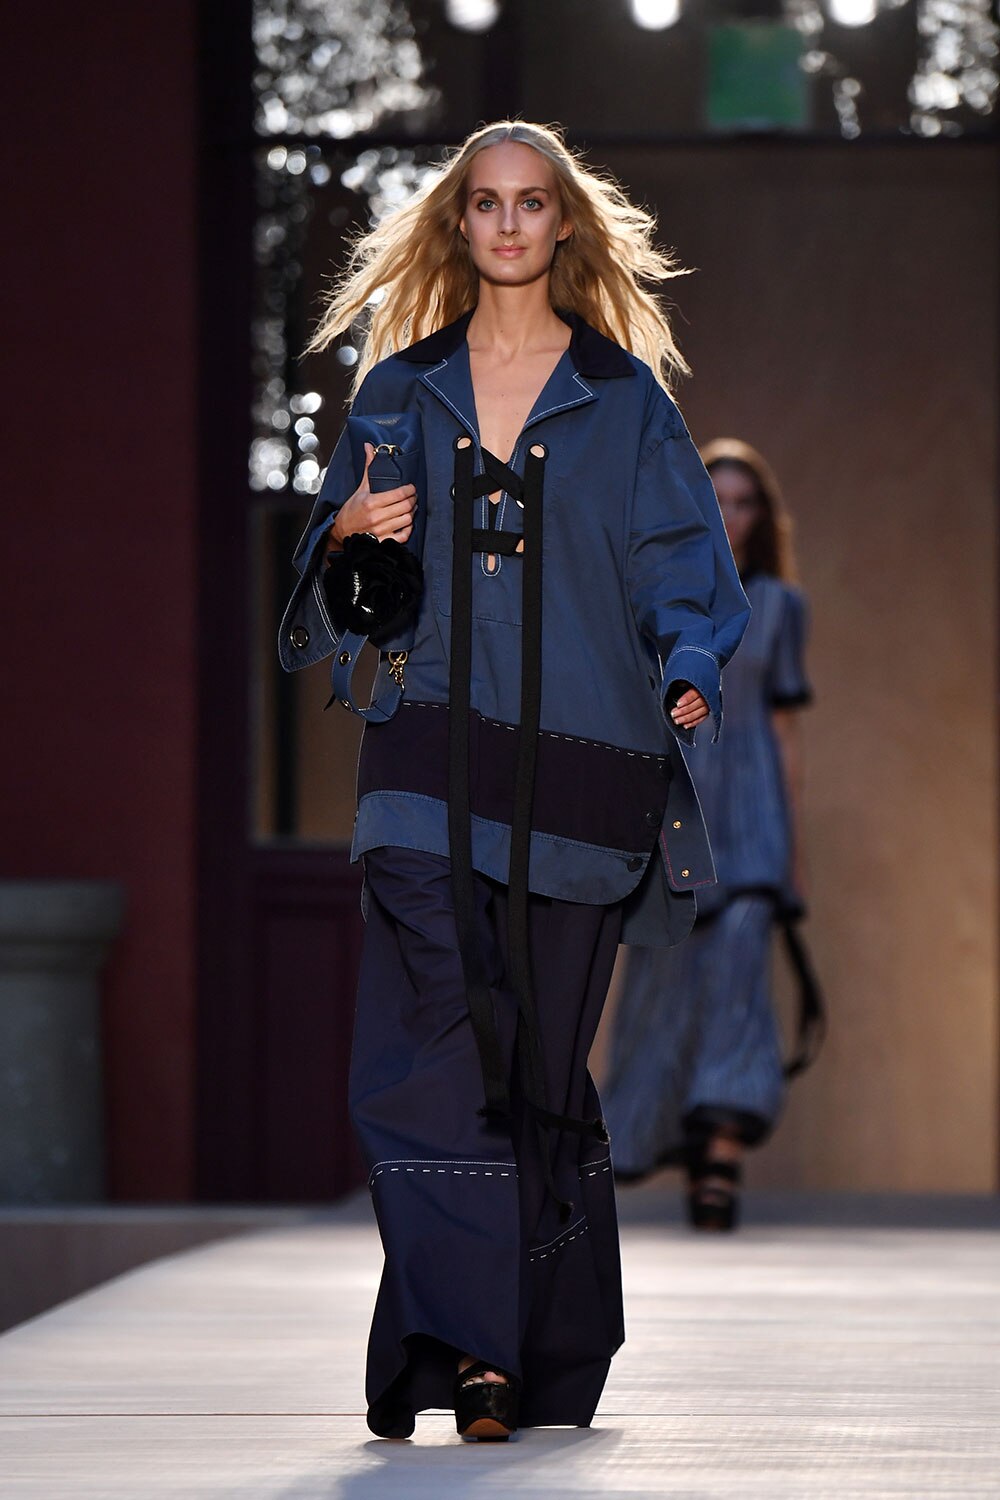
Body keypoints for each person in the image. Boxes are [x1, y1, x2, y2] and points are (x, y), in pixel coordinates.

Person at [278, 121, 749, 1442]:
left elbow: (680, 573)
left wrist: (689, 661)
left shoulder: (629, 404)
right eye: (482, 204)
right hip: (426, 758)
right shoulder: (396, 392)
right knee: (430, 1046)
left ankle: (522, 1355)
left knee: (535, 1069)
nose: (505, 225)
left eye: (530, 203)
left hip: (588, 771)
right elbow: (341, 599)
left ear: (563, 227)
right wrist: (348, 537)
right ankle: (477, 1356)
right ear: (456, 225)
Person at [602, 438, 813, 1232]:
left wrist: (792, 853)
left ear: (763, 516)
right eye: (716, 499)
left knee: (739, 987)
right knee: (663, 993)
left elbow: (788, 732)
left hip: (754, 822)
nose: (730, 515)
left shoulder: (784, 608)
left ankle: (720, 1154)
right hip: (676, 814)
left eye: (745, 501)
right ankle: (676, 1138)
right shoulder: (658, 602)